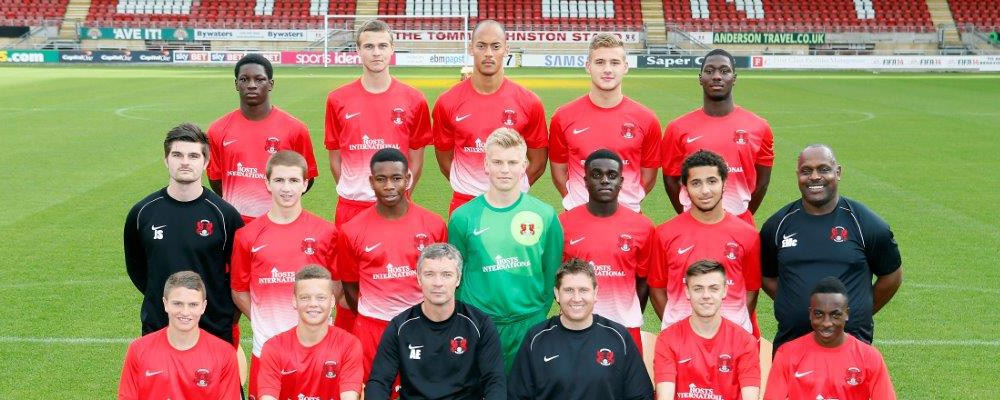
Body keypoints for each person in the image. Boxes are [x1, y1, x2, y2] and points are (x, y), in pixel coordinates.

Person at [324, 19, 433, 333]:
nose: (376, 52)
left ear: (392, 50)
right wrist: (357, 190)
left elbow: (416, 159)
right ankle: (350, 362)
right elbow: (336, 157)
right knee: (347, 291)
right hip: (351, 207)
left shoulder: (414, 100)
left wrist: (398, 198)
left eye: (382, 45)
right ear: (358, 51)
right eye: (369, 46)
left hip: (396, 209)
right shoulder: (338, 99)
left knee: (396, 280)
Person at [760, 144, 903, 352]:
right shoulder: (777, 225)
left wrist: (856, 311)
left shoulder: (867, 224)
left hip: (850, 351)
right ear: (797, 175)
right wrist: (791, 301)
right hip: (791, 350)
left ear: (838, 172)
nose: (815, 177)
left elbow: (892, 276)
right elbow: (766, 275)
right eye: (806, 171)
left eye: (824, 169)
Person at [448, 127, 563, 371]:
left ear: (524, 166)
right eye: (497, 162)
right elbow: (454, 276)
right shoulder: (463, 218)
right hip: (480, 323)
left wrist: (535, 312)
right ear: (486, 164)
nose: (505, 169)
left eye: (513, 162)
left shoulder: (545, 215)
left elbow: (552, 272)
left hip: (528, 322)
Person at [230, 150, 337, 399]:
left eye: (293, 180)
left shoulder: (326, 232)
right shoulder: (247, 236)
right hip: (267, 348)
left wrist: (316, 319)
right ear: (267, 183)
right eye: (279, 180)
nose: (286, 188)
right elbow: (239, 289)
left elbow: (337, 284)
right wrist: (263, 319)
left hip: (317, 348)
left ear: (305, 183)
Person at [124, 123, 243, 345]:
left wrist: (221, 308)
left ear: (206, 162)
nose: (185, 162)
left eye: (193, 156)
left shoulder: (225, 216)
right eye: (177, 155)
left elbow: (239, 273)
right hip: (159, 325)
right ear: (166, 160)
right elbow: (137, 269)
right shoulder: (142, 213)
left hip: (213, 327)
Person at [338, 148, 448, 374]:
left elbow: (443, 280)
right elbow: (350, 286)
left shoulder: (434, 225)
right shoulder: (351, 230)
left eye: (396, 178)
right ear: (371, 181)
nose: (389, 186)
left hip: (422, 325)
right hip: (372, 329)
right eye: (381, 179)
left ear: (407, 179)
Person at [433, 19, 548, 214]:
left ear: (506, 49)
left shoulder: (529, 102)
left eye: (495, 46)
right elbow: (445, 159)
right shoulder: (447, 102)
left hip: (512, 203)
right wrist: (469, 185)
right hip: (465, 203)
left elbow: (538, 161)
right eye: (481, 46)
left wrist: (512, 187)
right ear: (471, 49)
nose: (488, 53)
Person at [366, 243, 506, 400]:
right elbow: (379, 381)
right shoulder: (399, 327)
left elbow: (495, 381)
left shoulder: (480, 325)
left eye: (446, 274)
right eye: (429, 274)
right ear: (419, 278)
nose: (438, 283)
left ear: (458, 279)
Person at [649, 150, 761, 335]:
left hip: (731, 340)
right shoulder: (664, 233)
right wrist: (680, 331)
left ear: (724, 184)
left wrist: (731, 331)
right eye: (696, 183)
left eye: (712, 181)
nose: (705, 191)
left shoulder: (748, 235)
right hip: (680, 340)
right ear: (684, 187)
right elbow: (657, 289)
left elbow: (751, 290)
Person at [508, 259, 652, 400]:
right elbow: (517, 395)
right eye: (569, 290)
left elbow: (640, 395)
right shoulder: (536, 338)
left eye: (583, 290)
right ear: (557, 293)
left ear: (595, 293)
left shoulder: (618, 337)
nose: (576, 298)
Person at [660, 49, 773, 226]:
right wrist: (691, 214)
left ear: (734, 78)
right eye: (710, 70)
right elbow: (670, 179)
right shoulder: (677, 128)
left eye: (724, 71)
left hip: (740, 223)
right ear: (700, 78)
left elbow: (763, 181)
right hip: (693, 223)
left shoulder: (759, 127)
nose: (717, 76)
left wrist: (740, 216)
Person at [549, 33, 661, 212]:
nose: (607, 69)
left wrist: (624, 204)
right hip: (578, 215)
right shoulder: (563, 117)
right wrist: (580, 204)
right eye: (600, 62)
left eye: (615, 62)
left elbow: (648, 177)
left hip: (628, 216)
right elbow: (559, 173)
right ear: (588, 66)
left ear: (625, 67)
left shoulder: (647, 119)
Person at [559, 149, 655, 349]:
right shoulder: (563, 224)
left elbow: (644, 280)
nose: (604, 180)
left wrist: (627, 311)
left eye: (611, 175)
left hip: (626, 328)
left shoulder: (643, 227)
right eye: (596, 175)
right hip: (577, 329)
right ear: (585, 181)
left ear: (621, 181)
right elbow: (556, 278)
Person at [207, 53, 319, 222]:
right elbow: (216, 179)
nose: (252, 85)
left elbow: (307, 178)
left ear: (270, 84)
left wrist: (283, 200)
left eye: (259, 79)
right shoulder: (217, 129)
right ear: (236, 84)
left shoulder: (296, 129)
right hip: (234, 222)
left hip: (280, 220)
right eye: (244, 79)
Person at [764, 277, 896, 399]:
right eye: (819, 314)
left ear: (847, 314)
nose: (826, 323)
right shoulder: (787, 354)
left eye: (835, 315)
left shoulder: (870, 358)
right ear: (810, 314)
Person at [118, 271, 241, 399]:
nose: (185, 312)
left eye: (193, 304)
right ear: (165, 304)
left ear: (203, 307)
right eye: (178, 303)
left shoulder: (225, 354)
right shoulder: (138, 350)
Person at [653, 260, 760, 400]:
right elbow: (665, 397)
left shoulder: (745, 341)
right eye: (698, 288)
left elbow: (750, 396)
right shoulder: (667, 339)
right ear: (687, 292)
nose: (706, 295)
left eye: (713, 288)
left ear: (725, 291)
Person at [257, 266, 364, 400]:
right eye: (305, 297)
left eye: (320, 297)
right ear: (294, 301)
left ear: (332, 301)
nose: (313, 304)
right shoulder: (273, 348)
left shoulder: (349, 345)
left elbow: (349, 397)